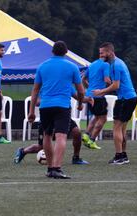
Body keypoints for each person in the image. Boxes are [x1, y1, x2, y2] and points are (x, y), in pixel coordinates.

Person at [28, 41, 84, 179]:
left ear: (52, 51)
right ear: (66, 52)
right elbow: (80, 90)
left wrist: (31, 112)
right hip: (62, 106)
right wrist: (80, 103)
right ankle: (56, 168)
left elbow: (35, 91)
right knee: (61, 136)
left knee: (47, 135)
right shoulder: (72, 67)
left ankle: (49, 168)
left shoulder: (42, 66)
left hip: (45, 106)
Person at [14, 90, 90, 165]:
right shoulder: (46, 85)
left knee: (77, 132)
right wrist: (50, 100)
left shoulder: (66, 84)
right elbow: (37, 102)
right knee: (41, 146)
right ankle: (23, 151)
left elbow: (80, 97)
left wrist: (89, 98)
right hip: (48, 115)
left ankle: (76, 158)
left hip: (63, 115)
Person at [93, 42, 137, 165]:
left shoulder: (116, 65)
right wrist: (108, 82)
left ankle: (118, 157)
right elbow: (116, 83)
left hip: (125, 99)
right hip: (129, 98)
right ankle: (123, 155)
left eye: (102, 53)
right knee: (122, 128)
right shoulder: (114, 63)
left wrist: (101, 91)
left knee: (116, 127)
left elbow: (116, 85)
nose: (100, 56)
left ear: (110, 52)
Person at [82, 56, 111, 150]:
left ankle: (86, 135)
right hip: (99, 96)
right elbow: (107, 80)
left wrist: (90, 88)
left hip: (89, 96)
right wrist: (110, 87)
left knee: (96, 116)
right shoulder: (106, 64)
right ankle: (92, 140)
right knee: (103, 118)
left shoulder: (92, 64)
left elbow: (83, 79)